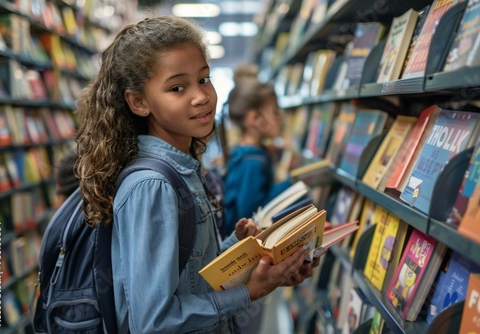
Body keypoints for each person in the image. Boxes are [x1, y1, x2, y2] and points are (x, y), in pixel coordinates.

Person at [74, 15, 318, 333]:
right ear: (138, 102)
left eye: (204, 79)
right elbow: (153, 321)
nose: (201, 96)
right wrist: (249, 293)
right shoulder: (153, 186)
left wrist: (237, 248)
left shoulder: (183, 167)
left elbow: (187, 276)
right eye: (177, 87)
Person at [219, 78, 296, 333]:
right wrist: (287, 187)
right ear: (254, 118)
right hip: (246, 265)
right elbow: (248, 215)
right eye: (274, 112)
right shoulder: (253, 161)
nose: (280, 117)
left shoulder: (247, 153)